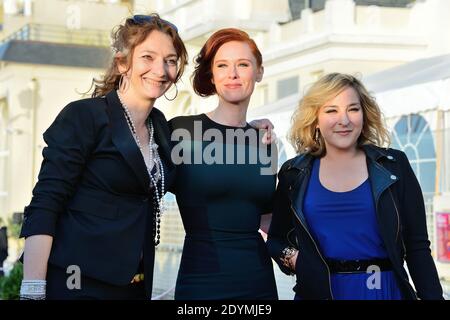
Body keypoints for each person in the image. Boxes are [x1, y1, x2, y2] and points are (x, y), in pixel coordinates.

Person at [18, 13, 188, 300]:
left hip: (134, 286)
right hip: (76, 281)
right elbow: (46, 203)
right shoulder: (84, 116)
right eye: (148, 57)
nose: (160, 69)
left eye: (170, 60)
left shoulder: (161, 128)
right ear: (123, 62)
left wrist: (249, 129)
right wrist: (33, 291)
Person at [267, 73, 444, 300]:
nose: (344, 120)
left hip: (383, 291)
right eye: (331, 111)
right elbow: (276, 239)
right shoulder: (294, 173)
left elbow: (417, 246)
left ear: (364, 114)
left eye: (353, 109)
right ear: (315, 119)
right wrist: (295, 259)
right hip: (317, 293)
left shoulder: (394, 166)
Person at [169, 28, 278, 300]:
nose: (233, 74)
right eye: (222, 65)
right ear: (212, 74)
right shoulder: (182, 133)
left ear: (259, 72)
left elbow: (268, 220)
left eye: (243, 64)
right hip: (201, 280)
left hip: (258, 282)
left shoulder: (265, 142)